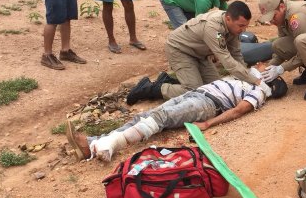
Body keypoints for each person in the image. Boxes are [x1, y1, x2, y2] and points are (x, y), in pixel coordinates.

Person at [66, 65, 288, 162]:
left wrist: (209, 124)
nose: (265, 71)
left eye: (270, 75)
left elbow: (239, 110)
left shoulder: (260, 91)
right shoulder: (247, 77)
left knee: (160, 120)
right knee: (145, 116)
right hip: (197, 94)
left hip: (208, 104)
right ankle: (94, 145)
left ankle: (107, 146)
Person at [126, 1, 261, 105]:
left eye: (246, 26)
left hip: (200, 54)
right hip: (180, 50)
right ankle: (151, 88)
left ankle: (170, 81)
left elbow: (236, 54)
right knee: (193, 90)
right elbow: (226, 60)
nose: (244, 30)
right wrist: (253, 81)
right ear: (228, 19)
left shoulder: (233, 28)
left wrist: (246, 74)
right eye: (241, 26)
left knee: (215, 87)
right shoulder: (214, 28)